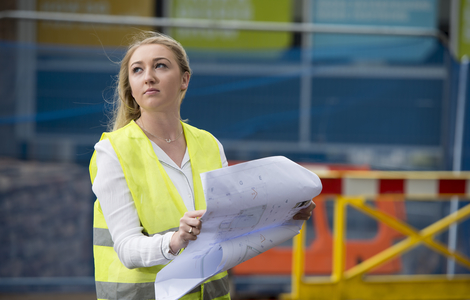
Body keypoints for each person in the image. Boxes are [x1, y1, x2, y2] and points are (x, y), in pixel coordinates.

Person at [89, 31, 316, 300]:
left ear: (185, 79)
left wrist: (283, 217)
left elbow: (229, 232)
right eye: (137, 70)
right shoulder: (112, 151)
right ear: (130, 85)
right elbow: (126, 249)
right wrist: (175, 241)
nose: (148, 76)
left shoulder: (209, 144)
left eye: (160, 65)